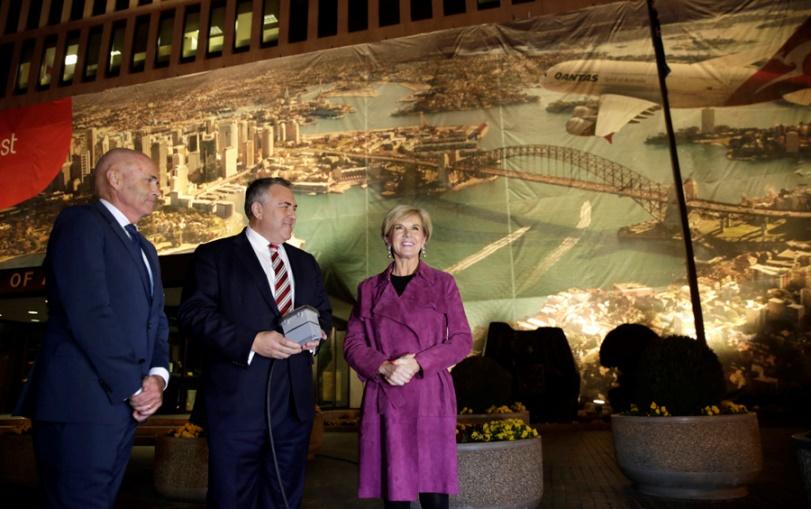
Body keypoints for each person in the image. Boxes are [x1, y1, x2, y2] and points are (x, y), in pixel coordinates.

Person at [15, 148, 170, 508]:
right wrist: (134, 384)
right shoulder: (81, 222)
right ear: (115, 180)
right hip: (80, 404)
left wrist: (157, 378)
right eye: (150, 179)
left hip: (119, 407)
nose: (158, 190)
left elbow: (156, 320)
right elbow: (89, 313)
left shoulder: (145, 248)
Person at [177, 177, 331, 509]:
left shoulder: (306, 263)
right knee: (233, 497)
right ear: (257, 209)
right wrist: (252, 341)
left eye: (294, 207)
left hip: (293, 406)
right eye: (284, 206)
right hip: (236, 405)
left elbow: (324, 314)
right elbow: (193, 314)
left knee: (284, 497)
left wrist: (316, 336)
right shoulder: (215, 256)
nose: (292, 214)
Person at [343, 205, 473, 509]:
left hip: (430, 394)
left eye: (415, 228)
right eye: (399, 227)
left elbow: (462, 340)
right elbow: (352, 343)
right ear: (387, 237)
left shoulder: (443, 283)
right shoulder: (368, 289)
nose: (408, 234)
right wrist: (383, 366)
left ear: (425, 238)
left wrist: (418, 363)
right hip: (387, 393)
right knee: (394, 493)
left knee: (434, 492)